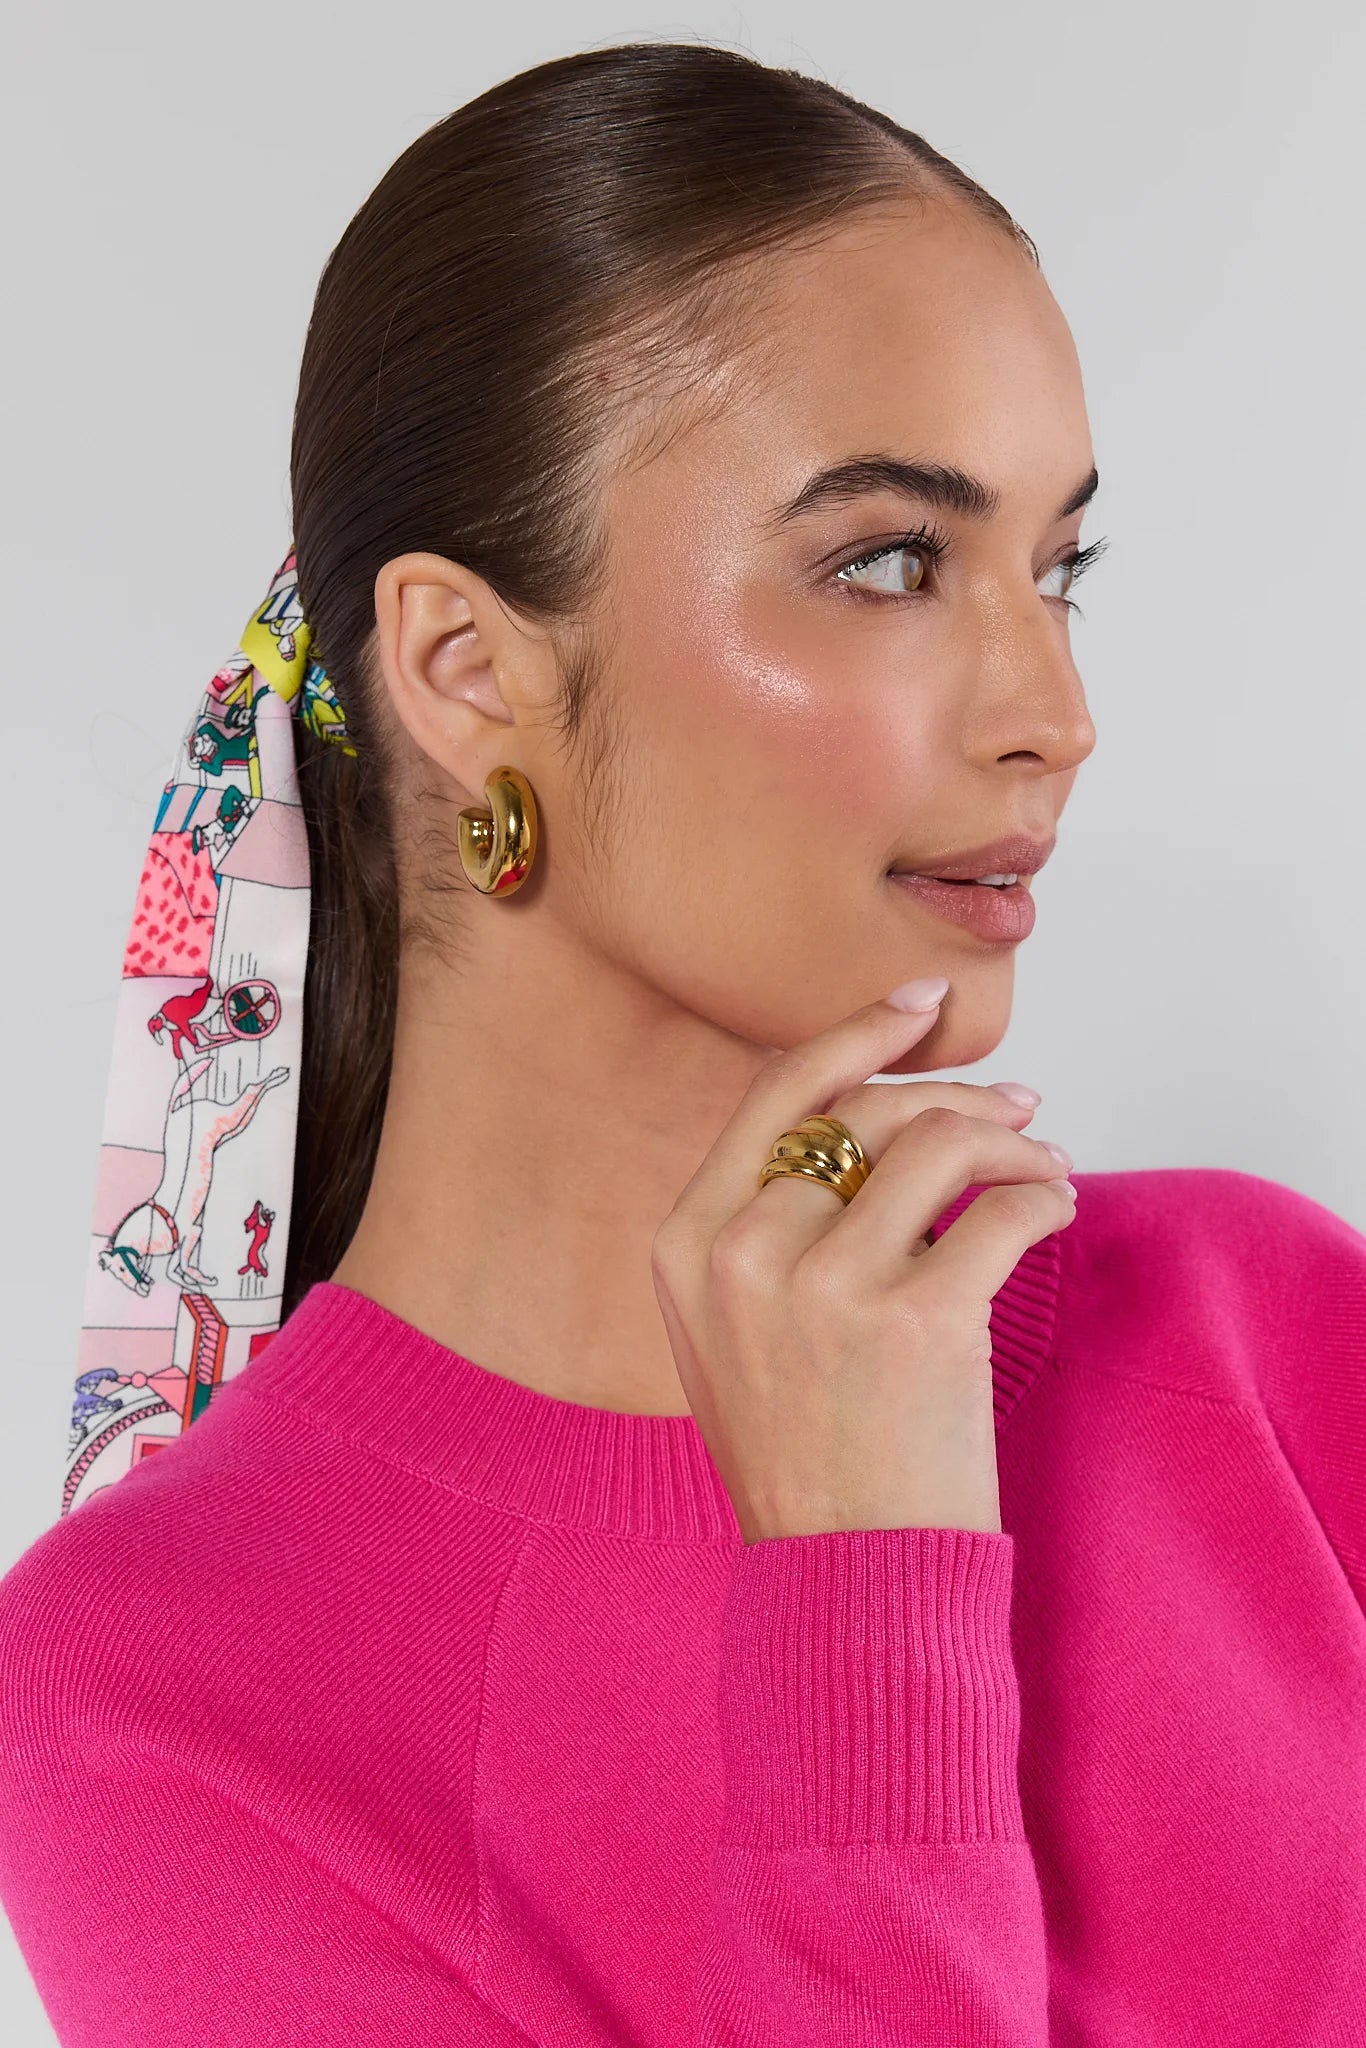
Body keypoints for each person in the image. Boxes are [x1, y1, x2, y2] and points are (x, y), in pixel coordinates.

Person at [1, 40, 1364, 2048]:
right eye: (889, 560)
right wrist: (863, 1584)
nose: (1052, 709)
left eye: (1053, 564)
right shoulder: (161, 1687)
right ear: (469, 672)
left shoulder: (1257, 1335)